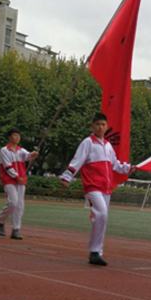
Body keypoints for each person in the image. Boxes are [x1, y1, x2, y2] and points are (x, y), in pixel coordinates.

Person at [60, 112, 135, 267]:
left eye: (103, 124)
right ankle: (94, 251)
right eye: (98, 124)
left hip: (106, 188)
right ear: (92, 126)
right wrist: (67, 176)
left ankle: (97, 252)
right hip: (92, 187)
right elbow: (77, 160)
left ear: (107, 127)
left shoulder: (108, 145)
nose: (101, 127)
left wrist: (127, 168)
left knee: (102, 217)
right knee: (101, 213)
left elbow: (115, 164)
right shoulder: (87, 143)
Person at [0, 128, 38, 240]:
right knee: (12, 202)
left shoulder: (21, 150)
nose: (17, 138)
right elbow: (7, 166)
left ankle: (15, 229)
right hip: (9, 179)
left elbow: (27, 156)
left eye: (18, 135)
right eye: (14, 135)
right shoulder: (4, 150)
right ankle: (1, 221)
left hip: (21, 180)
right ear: (9, 137)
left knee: (19, 205)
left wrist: (33, 154)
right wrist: (16, 176)